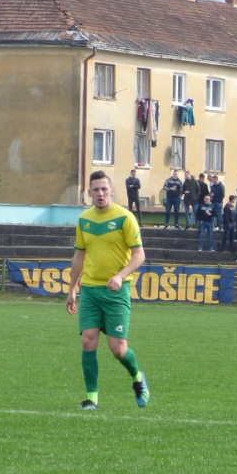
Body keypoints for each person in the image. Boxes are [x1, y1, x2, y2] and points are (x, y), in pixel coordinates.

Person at [66, 170, 150, 410]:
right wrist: (72, 289)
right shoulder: (84, 220)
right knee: (87, 341)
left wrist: (120, 275)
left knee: (118, 350)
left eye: (104, 189)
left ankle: (137, 377)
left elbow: (139, 255)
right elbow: (79, 256)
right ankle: (91, 398)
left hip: (117, 291)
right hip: (91, 290)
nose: (100, 193)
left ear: (112, 191)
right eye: (96, 189)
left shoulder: (125, 218)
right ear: (90, 193)